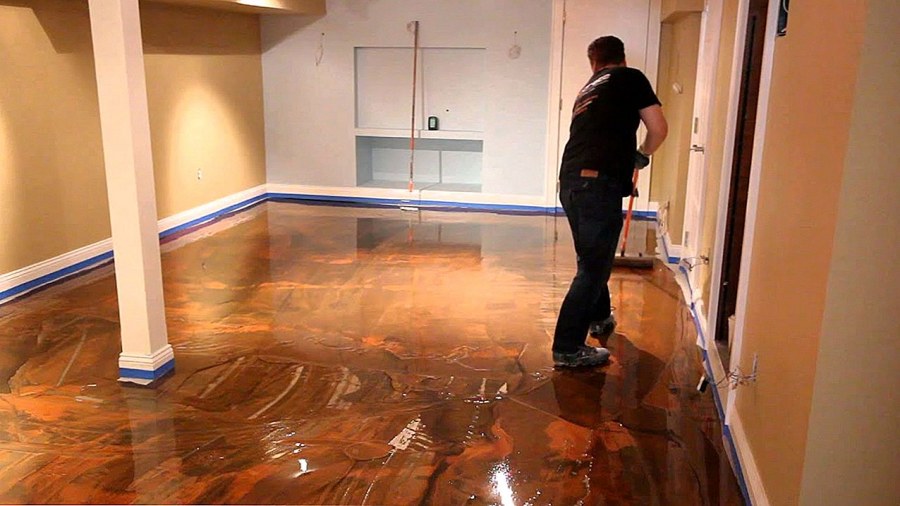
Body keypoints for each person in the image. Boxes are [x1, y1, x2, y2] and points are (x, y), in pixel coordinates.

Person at [552, 35, 668, 368]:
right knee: (593, 267)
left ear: (594, 63)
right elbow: (658, 128)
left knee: (592, 257)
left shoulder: (588, 88)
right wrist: (642, 154)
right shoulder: (630, 77)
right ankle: (567, 348)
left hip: (570, 181)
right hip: (597, 184)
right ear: (623, 58)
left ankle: (600, 317)